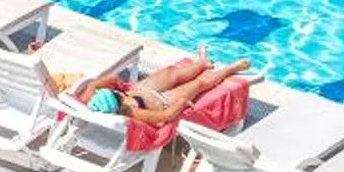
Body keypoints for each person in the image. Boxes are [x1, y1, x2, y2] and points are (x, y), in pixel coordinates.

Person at [70, 55, 255, 127]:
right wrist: (182, 102)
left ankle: (202, 63)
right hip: (162, 100)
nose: (119, 93)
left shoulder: (91, 99)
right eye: (118, 96)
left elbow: (99, 83)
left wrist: (114, 84)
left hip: (142, 90)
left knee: (171, 74)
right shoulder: (134, 112)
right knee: (198, 85)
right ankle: (230, 69)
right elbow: (165, 116)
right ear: (118, 106)